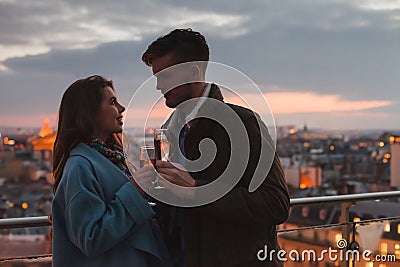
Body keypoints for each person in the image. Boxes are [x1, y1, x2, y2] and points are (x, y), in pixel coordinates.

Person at [141, 29, 290, 267]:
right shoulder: (171, 130)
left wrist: (197, 190)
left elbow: (276, 204)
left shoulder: (242, 123)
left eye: (165, 76)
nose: (158, 86)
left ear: (193, 72)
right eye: (156, 77)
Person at [51, 75, 172, 267]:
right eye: (113, 102)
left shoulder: (112, 158)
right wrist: (134, 189)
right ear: (90, 112)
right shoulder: (80, 166)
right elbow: (90, 239)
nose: (122, 108)